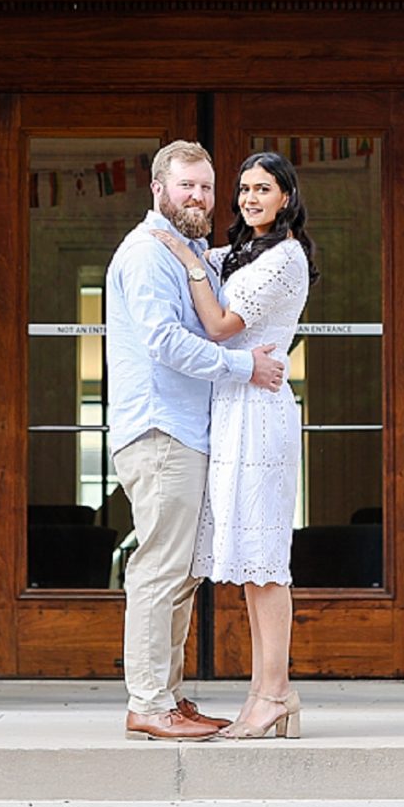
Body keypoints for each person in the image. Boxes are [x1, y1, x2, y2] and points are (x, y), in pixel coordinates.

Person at [105, 141, 286, 742]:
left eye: (207, 188)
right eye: (187, 186)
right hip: (161, 430)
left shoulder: (182, 251)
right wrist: (244, 369)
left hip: (186, 432)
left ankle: (168, 697)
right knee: (159, 569)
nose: (200, 198)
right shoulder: (147, 254)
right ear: (158, 188)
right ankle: (150, 704)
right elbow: (164, 341)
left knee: (179, 571)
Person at [148, 151, 315, 740]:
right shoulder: (241, 252)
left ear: (286, 198)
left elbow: (219, 325)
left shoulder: (285, 258)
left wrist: (187, 263)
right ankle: (268, 693)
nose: (249, 198)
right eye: (243, 189)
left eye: (262, 189)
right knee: (249, 563)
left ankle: (274, 693)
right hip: (231, 407)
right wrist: (184, 253)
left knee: (265, 561)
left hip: (260, 413)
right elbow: (195, 259)